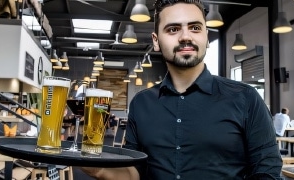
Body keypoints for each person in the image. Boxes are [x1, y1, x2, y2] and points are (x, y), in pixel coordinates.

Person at [82, 0, 282, 179]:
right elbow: (135, 171)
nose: (185, 37)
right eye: (173, 29)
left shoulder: (246, 98)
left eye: (195, 28)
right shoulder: (141, 103)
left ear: (206, 35)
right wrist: (98, 170)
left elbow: (268, 170)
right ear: (156, 40)